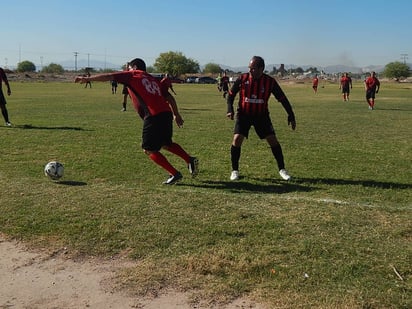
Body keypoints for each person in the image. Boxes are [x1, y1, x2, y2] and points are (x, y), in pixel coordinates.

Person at [75, 58, 198, 185]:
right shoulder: (152, 78)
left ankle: (175, 173)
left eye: (128, 67)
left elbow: (108, 76)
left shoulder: (132, 75)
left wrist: (88, 79)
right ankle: (189, 159)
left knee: (148, 149)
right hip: (166, 114)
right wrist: (176, 114)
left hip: (153, 115)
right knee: (166, 143)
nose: (126, 69)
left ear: (134, 67)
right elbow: (168, 97)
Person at [226, 56, 296, 181]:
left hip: (261, 116)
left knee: (272, 140)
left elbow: (282, 99)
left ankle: (282, 169)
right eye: (249, 68)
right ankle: (235, 170)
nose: (250, 71)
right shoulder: (242, 79)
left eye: (253, 68)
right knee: (237, 139)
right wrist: (229, 109)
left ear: (261, 69)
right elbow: (230, 96)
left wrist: (291, 115)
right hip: (244, 115)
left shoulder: (270, 82)